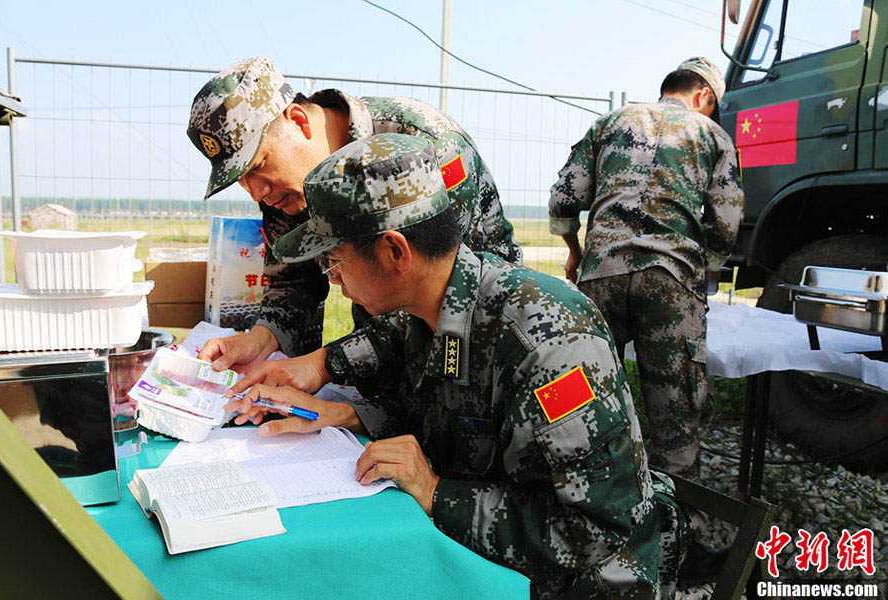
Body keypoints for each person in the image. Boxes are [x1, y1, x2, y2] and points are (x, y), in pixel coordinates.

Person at [225, 133, 680, 599]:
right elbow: (446, 419)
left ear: (395, 251)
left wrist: (435, 492)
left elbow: (589, 531)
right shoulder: (428, 312)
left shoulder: (549, 344)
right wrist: (345, 414)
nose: (332, 276)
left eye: (334, 259)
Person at [186, 56, 521, 374]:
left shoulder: (426, 146)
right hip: (383, 354)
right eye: (241, 180)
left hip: (481, 348)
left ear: (298, 122)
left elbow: (437, 287)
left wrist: (327, 365)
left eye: (258, 166)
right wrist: (261, 338)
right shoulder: (284, 189)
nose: (257, 192)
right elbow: (292, 281)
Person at [548, 57, 744, 480]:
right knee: (674, 423)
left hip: (600, 278)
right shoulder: (713, 135)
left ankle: (592, 508)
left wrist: (575, 251)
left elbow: (564, 198)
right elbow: (726, 223)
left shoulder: (609, 124)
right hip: (672, 282)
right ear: (704, 95)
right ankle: (673, 530)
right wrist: (703, 268)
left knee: (587, 406)